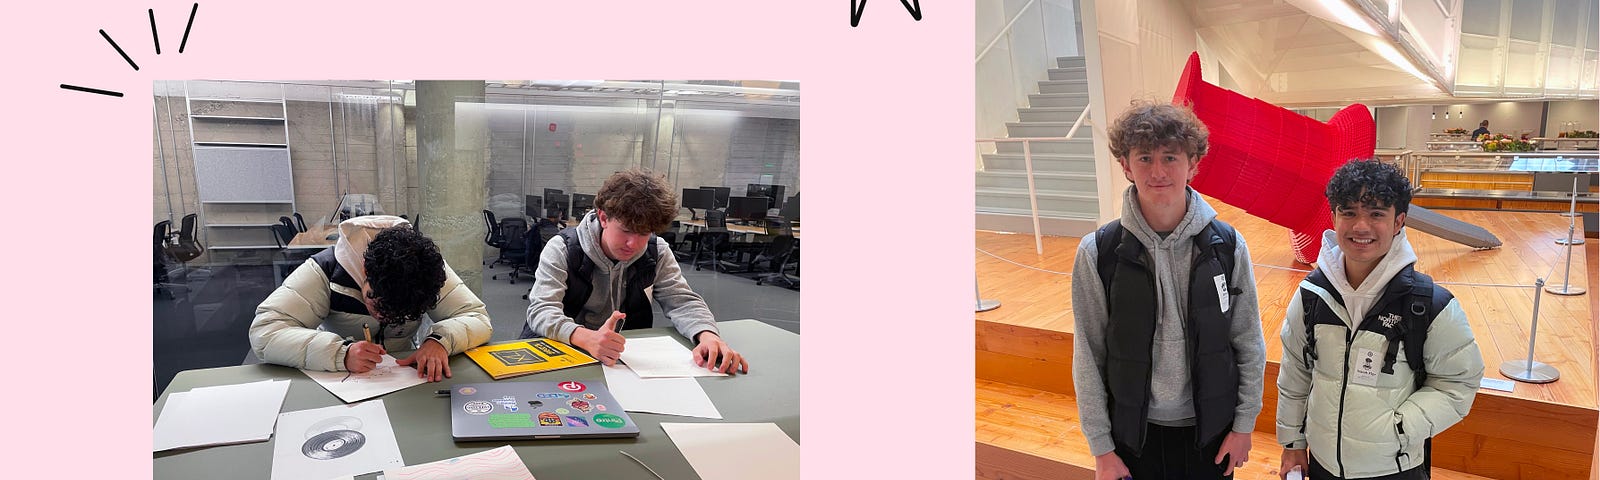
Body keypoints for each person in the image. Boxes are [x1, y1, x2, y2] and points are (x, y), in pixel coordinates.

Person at [1071, 101, 1267, 480]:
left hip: (1210, 432)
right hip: (1133, 437)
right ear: (1126, 166)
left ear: (1193, 164)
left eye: (1170, 157)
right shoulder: (1098, 252)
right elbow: (1088, 354)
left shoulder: (1226, 246)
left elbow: (1248, 341)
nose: (1157, 171)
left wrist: (1244, 425)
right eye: (1144, 157)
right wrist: (1102, 449)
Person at [1275, 159, 1483, 480]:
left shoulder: (1429, 303)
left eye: (1376, 214)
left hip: (1394, 468)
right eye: (1349, 212)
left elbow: (1458, 382)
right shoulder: (1311, 295)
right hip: (1322, 466)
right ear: (1333, 217)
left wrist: (1400, 429)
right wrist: (1292, 442)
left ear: (1399, 220)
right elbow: (1295, 374)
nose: (1360, 226)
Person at [522, 168, 748, 374]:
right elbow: (541, 310)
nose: (633, 243)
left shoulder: (656, 250)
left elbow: (682, 301)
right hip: (563, 351)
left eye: (644, 233)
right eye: (626, 231)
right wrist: (586, 337)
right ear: (603, 217)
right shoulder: (562, 248)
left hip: (622, 360)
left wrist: (707, 335)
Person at [250, 215, 493, 382]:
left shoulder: (427, 270)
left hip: (405, 377)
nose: (383, 318)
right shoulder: (324, 270)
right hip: (339, 378)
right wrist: (340, 354)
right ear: (365, 270)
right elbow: (265, 332)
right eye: (376, 305)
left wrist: (440, 340)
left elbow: (477, 318)